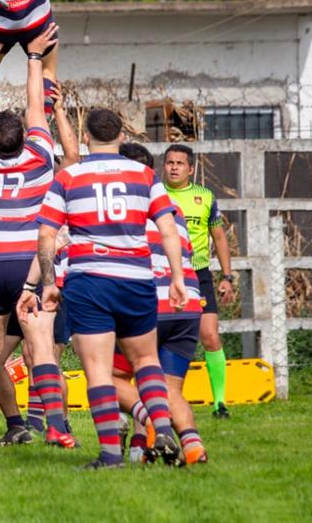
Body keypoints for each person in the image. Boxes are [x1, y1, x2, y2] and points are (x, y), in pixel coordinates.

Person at [30, 108, 187, 469]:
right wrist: (177, 278)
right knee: (146, 359)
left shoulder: (69, 177)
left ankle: (110, 455)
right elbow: (166, 227)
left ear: (85, 137)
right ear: (121, 136)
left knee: (99, 370)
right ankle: (161, 428)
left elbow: (46, 235)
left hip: (90, 281)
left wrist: (50, 283)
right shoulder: (145, 175)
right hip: (136, 279)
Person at [0, 23, 76, 449]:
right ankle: (59, 429)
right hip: (29, 261)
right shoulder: (40, 157)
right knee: (40, 346)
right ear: (25, 139)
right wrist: (33, 57)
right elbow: (35, 105)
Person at [116, 143, 207, 465]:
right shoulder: (172, 206)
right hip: (187, 304)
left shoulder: (123, 208)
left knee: (107, 376)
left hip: (150, 303)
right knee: (168, 387)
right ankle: (193, 446)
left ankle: (155, 425)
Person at [162, 143, 237, 419]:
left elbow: (218, 237)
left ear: (190, 169)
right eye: (170, 162)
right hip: (165, 274)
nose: (174, 167)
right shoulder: (155, 194)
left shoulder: (205, 197)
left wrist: (227, 276)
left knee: (210, 335)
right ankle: (160, 398)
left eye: (180, 163)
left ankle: (219, 402)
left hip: (199, 275)